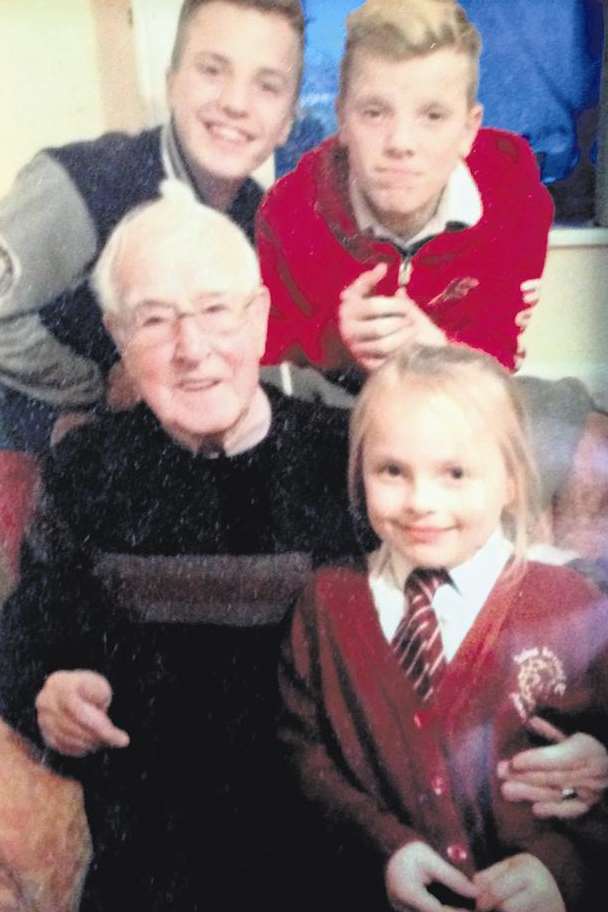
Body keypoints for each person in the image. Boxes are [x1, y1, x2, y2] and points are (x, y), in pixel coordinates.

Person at [0, 183, 361, 912]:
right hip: (156, 860)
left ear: (257, 317)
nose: (192, 350)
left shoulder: (348, 462)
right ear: (119, 336)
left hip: (336, 846)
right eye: (155, 321)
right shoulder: (86, 470)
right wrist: (48, 693)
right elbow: (22, 641)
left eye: (215, 311)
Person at [279, 344, 608, 912]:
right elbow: (303, 757)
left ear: (509, 482)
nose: (420, 502)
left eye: (455, 473)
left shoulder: (575, 605)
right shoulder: (325, 603)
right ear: (360, 473)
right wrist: (385, 849)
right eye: (392, 472)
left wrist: (562, 870)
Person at [0, 0, 304, 582]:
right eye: (212, 70)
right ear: (171, 83)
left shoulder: (264, 225)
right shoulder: (82, 182)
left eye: (266, 86)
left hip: (139, 465)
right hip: (29, 441)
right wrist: (93, 385)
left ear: (289, 119)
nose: (235, 103)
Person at [256, 0, 553, 375]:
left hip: (462, 394)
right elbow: (268, 375)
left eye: (432, 116)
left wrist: (435, 349)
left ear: (468, 130)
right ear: (342, 120)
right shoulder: (288, 213)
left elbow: (503, 354)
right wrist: (336, 342)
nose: (400, 142)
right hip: (338, 408)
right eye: (375, 112)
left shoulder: (514, 196)